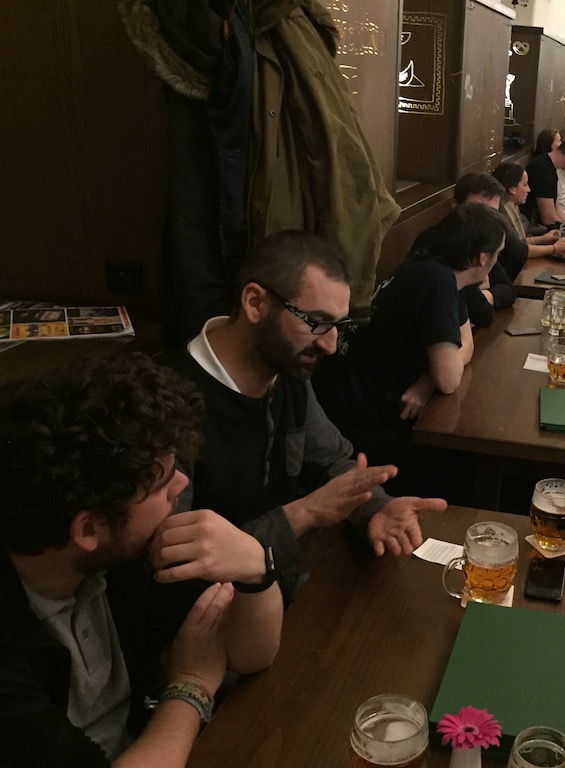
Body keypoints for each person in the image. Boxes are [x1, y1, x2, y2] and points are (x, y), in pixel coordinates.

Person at [0, 354, 283, 766]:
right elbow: (203, 671)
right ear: (88, 529)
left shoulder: (121, 557)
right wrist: (190, 689)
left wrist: (256, 571)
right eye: (160, 481)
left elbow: (250, 654)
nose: (181, 484)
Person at [168, 231, 448, 602]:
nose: (330, 345)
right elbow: (176, 562)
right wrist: (306, 513)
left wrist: (375, 508)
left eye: (338, 326)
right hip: (210, 613)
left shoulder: (285, 373)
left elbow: (332, 461)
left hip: (279, 584)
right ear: (255, 303)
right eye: (316, 322)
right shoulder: (167, 403)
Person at [314, 204, 504, 466]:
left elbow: (466, 342)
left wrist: (427, 382)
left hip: (358, 402)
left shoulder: (440, 267)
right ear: (482, 258)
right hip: (350, 420)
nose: (497, 261)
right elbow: (448, 380)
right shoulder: (437, 280)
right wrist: (436, 376)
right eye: (498, 254)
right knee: (463, 461)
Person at [409, 172, 518, 328]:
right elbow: (483, 313)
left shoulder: (483, 240)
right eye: (478, 209)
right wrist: (483, 296)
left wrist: (486, 295)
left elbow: (508, 290)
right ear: (455, 206)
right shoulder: (438, 242)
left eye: (492, 213)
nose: (486, 219)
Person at [491, 161, 565, 260]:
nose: (528, 189)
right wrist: (554, 248)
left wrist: (545, 238)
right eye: (525, 185)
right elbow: (519, 250)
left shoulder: (512, 206)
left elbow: (519, 242)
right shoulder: (503, 212)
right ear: (512, 189)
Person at [522, 136, 565, 226]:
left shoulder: (551, 167)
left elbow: (556, 207)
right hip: (533, 226)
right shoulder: (542, 169)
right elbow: (548, 218)